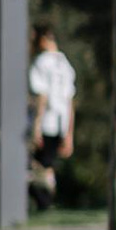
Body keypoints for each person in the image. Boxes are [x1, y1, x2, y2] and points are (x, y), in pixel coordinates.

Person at [27, 27, 74, 209]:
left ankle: (43, 202)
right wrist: (69, 132)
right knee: (48, 164)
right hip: (60, 122)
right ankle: (47, 201)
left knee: (38, 166)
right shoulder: (65, 64)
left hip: (45, 121)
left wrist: (36, 127)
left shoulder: (41, 63)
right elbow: (70, 101)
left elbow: (42, 97)